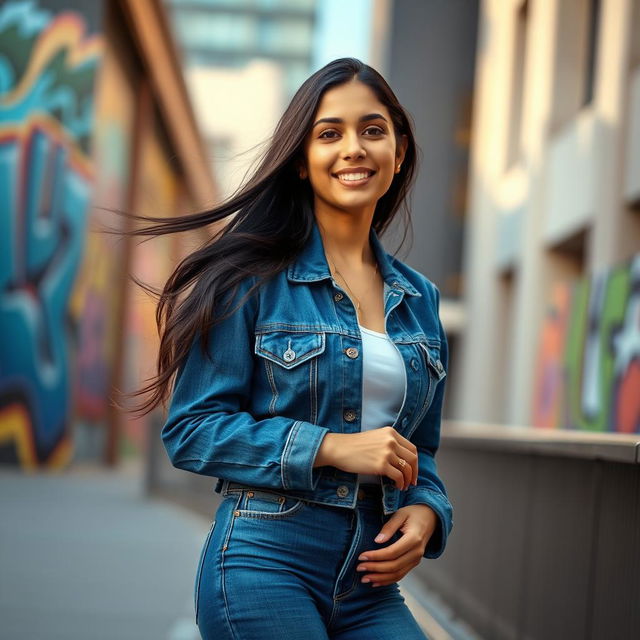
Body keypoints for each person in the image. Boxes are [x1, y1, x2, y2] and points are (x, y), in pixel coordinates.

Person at [126, 57, 452, 639]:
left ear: (398, 152)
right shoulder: (248, 278)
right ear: (302, 162)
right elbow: (191, 429)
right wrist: (330, 447)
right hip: (264, 562)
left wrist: (428, 510)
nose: (354, 147)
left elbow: (418, 451)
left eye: (372, 130)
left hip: (371, 583)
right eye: (329, 134)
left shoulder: (420, 298)